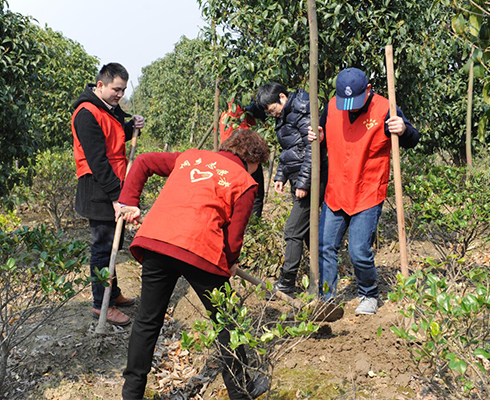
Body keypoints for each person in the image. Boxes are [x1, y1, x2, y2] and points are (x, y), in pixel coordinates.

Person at [118, 129, 270, 400]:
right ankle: (241, 391)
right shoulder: (245, 181)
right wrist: (230, 263)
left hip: (156, 241)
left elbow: (142, 162)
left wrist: (129, 203)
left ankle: (131, 394)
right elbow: (234, 238)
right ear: (254, 159)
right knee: (227, 322)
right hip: (200, 250)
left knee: (147, 320)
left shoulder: (190, 158)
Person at [308, 67, 420, 315]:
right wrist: (317, 134)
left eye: (355, 101)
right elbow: (324, 132)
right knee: (325, 246)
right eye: (343, 102)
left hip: (367, 190)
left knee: (358, 251)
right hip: (337, 189)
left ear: (368, 90)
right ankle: (327, 299)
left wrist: (403, 129)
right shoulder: (331, 106)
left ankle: (369, 294)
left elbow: (413, 139)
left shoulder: (385, 108)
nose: (349, 107)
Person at [72, 62, 145, 326]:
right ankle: (100, 304)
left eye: (123, 90)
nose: (120, 95)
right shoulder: (86, 113)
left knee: (115, 243)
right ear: (100, 85)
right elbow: (97, 160)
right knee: (104, 248)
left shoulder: (108, 110)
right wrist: (117, 197)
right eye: (116, 89)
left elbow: (113, 139)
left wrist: (132, 127)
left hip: (114, 185)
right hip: (99, 190)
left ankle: (112, 293)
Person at [256, 82, 327, 296]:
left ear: (282, 97)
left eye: (272, 109)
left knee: (293, 231)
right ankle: (322, 277)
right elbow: (290, 149)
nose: (272, 115)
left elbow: (311, 149)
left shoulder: (303, 110)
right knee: (305, 233)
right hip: (298, 177)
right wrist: (281, 175)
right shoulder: (286, 115)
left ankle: (287, 283)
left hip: (313, 178)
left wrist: (304, 183)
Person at [219, 99, 267, 217]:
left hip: (228, 153)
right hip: (245, 153)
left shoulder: (225, 107)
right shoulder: (241, 101)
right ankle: (252, 225)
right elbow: (260, 112)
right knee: (255, 192)